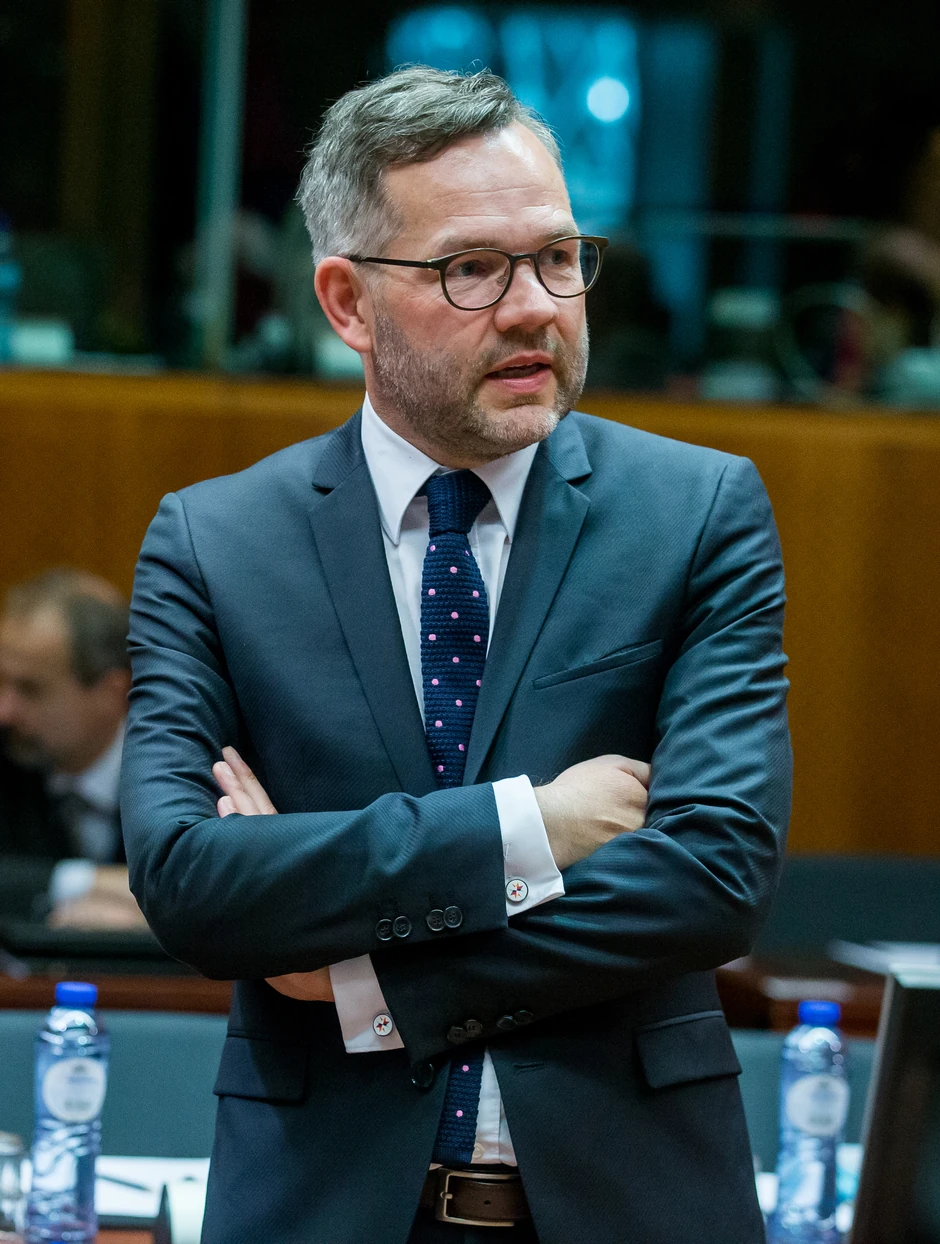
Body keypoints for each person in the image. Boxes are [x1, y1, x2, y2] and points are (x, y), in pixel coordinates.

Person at [121, 67, 791, 1244]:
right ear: (347, 301)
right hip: (320, 1208)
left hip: (631, 1203)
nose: (536, 308)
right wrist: (528, 826)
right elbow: (190, 880)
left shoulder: (695, 513)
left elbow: (712, 874)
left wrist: (364, 976)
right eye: (471, 269)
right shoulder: (216, 543)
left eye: (559, 257)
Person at [0, 569, 143, 927]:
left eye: (31, 690)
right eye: (1, 683)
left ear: (112, 692)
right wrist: (85, 883)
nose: (5, 711)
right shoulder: (7, 754)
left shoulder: (184, 769)